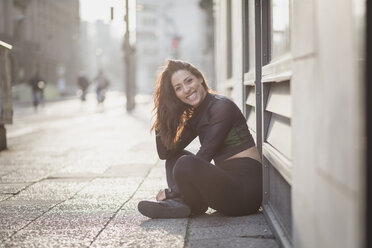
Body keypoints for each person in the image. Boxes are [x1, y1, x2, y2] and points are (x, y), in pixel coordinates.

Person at [138, 60, 262, 219]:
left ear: (200, 79)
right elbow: (166, 152)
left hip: (245, 193)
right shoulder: (198, 114)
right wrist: (164, 112)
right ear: (176, 95)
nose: (186, 89)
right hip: (227, 186)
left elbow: (204, 155)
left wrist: (170, 192)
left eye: (189, 81)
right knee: (174, 159)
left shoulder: (222, 107)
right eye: (178, 88)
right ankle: (187, 205)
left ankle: (178, 202)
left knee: (185, 163)